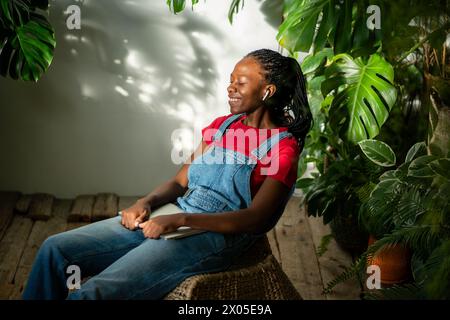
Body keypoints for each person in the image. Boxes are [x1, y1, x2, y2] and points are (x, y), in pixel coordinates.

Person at [22, 48, 312, 300]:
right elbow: (179, 181)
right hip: (175, 214)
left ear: (267, 91)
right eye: (230, 81)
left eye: (240, 82)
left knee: (94, 293)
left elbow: (256, 219)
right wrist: (145, 204)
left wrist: (181, 220)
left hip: (215, 237)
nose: (230, 88)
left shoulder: (282, 150)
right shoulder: (223, 126)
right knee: (55, 250)